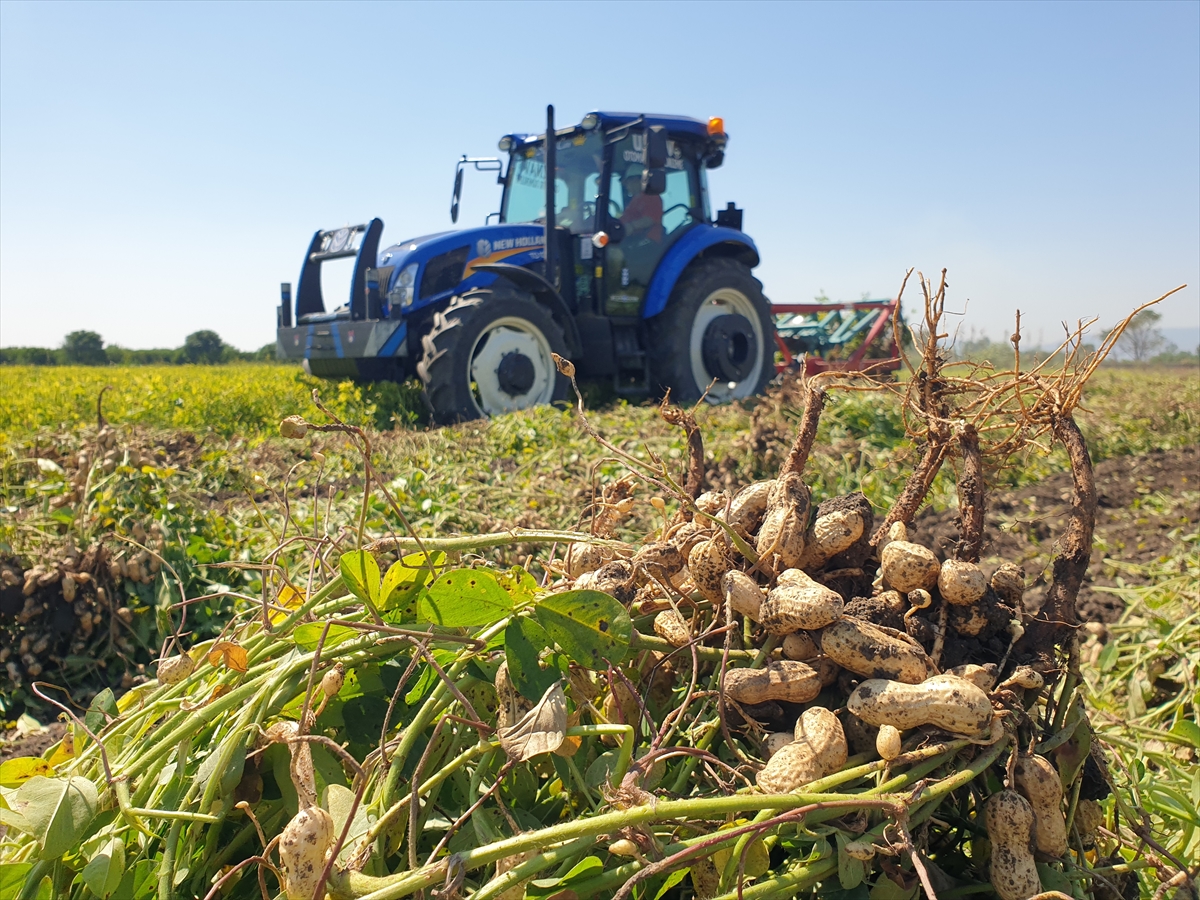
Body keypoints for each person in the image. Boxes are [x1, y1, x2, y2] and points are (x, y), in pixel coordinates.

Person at [619, 164, 663, 243]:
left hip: (648, 241)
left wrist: (631, 226)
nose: (627, 187)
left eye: (628, 183)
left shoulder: (651, 196)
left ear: (637, 180)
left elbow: (649, 220)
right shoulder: (635, 200)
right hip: (633, 240)